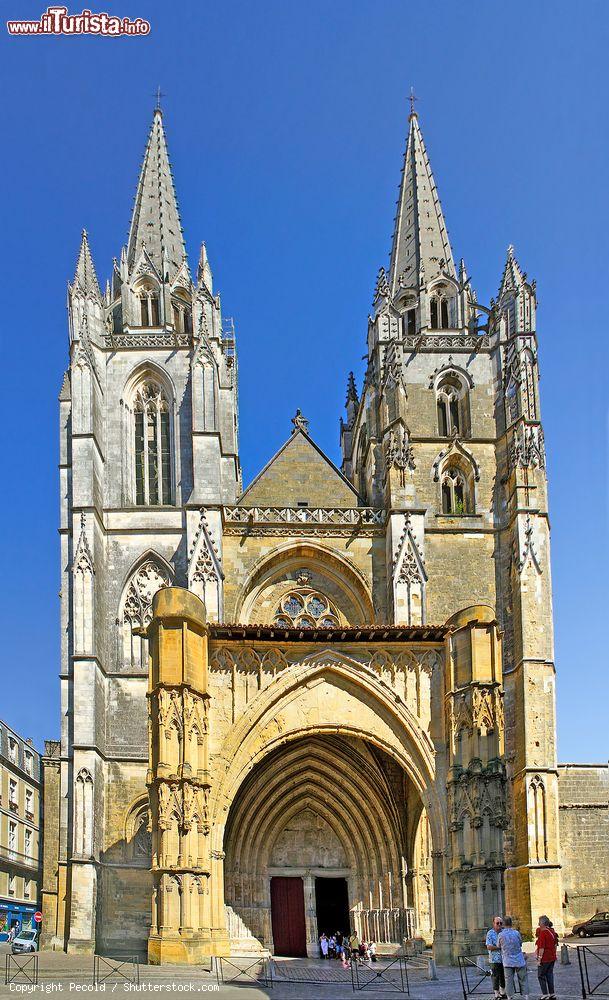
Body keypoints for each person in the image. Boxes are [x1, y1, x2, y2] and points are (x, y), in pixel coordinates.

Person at [498, 916, 529, 1000]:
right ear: (511, 923)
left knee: (508, 980)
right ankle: (526, 996)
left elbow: (498, 946)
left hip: (507, 960)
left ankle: (509, 996)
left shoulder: (501, 934)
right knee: (523, 978)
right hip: (519, 959)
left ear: (503, 924)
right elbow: (520, 943)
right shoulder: (516, 933)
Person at [535, 915, 557, 1000]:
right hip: (552, 957)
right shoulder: (551, 931)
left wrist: (539, 959)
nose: (538, 924)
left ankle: (545, 994)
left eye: (539, 922)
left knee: (541, 976)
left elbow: (542, 948)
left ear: (542, 923)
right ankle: (552, 993)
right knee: (549, 975)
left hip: (545, 958)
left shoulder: (543, 933)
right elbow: (555, 944)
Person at [486, 915, 507, 999]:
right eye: (497, 923)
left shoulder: (504, 932)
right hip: (494, 959)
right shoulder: (490, 933)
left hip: (504, 959)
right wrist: (499, 947)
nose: (499, 924)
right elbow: (488, 946)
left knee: (503, 976)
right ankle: (496, 994)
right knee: (495, 976)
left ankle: (503, 992)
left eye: (500, 923)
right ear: (493, 923)